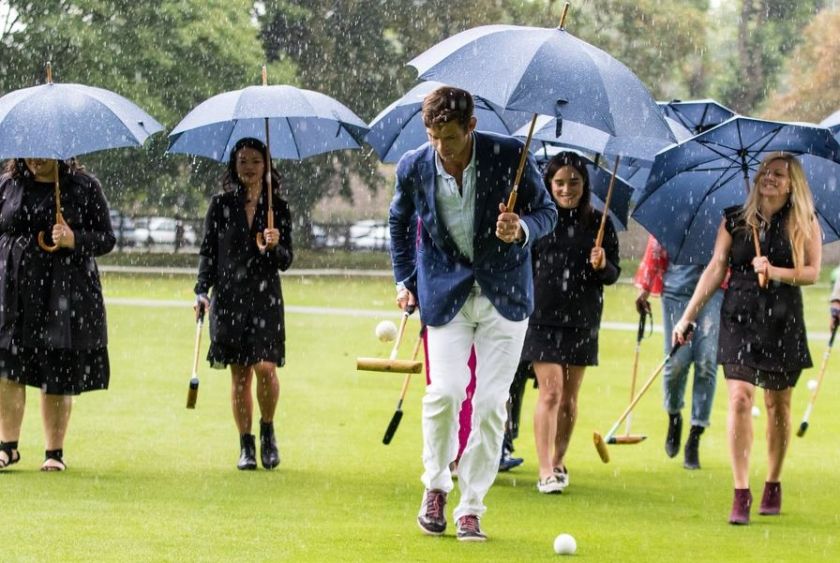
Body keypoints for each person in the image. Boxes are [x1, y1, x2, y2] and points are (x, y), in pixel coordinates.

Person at [390, 86, 556, 541]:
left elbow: (547, 213)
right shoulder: (413, 166)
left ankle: (471, 507)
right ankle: (436, 486)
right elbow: (398, 223)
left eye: (450, 136)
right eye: (433, 135)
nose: (442, 146)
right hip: (445, 294)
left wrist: (520, 227)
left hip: (505, 295)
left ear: (471, 126)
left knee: (489, 404)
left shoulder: (509, 156)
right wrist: (405, 281)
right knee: (444, 393)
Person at [673, 152, 821, 525]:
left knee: (778, 406)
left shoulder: (804, 222)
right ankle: (741, 492)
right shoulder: (734, 220)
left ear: (792, 184)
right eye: (765, 173)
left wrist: (775, 271)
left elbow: (812, 273)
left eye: (779, 175)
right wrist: (687, 316)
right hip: (738, 315)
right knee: (740, 398)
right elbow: (714, 268)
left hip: (783, 319)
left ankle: (773, 479)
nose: (769, 179)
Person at [0, 157, 115, 471]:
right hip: (13, 291)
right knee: (8, 369)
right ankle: (7, 447)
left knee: (57, 369)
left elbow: (107, 238)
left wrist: (73, 238)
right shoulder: (9, 184)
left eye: (42, 152)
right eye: (29, 151)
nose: (34, 160)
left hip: (64, 290)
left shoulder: (83, 187)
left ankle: (54, 453)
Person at [520, 151, 620, 494]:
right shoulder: (538, 219)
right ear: (549, 184)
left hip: (582, 318)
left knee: (569, 397)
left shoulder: (600, 224)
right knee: (550, 391)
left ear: (584, 184)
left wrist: (602, 265)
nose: (566, 189)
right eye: (559, 183)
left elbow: (613, 275)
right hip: (540, 316)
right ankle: (545, 468)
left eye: (574, 182)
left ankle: (560, 459)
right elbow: (521, 263)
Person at [194, 137, 293, 471]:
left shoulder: (277, 208)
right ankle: (246, 445)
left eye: (255, 161)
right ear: (234, 167)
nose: (249, 167)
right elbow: (208, 252)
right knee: (239, 376)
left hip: (265, 297)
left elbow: (286, 260)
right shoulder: (221, 205)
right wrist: (201, 290)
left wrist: (274, 245)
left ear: (266, 166)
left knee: (265, 368)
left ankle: (267, 430)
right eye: (242, 161)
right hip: (229, 298)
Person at [635, 235, 724, 469]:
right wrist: (644, 286)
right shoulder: (675, 207)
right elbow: (657, 242)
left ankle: (695, 435)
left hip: (713, 293)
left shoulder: (726, 210)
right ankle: (674, 416)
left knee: (706, 363)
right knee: (676, 364)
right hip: (676, 292)